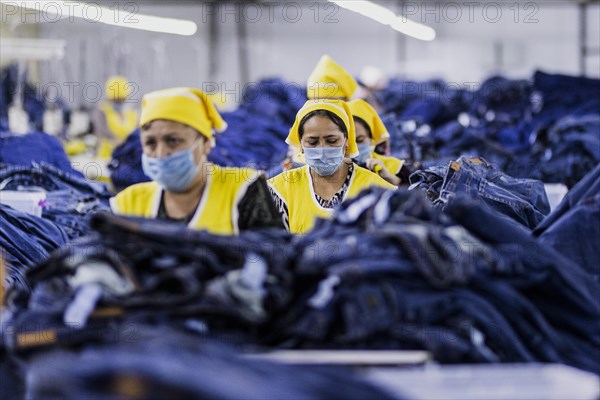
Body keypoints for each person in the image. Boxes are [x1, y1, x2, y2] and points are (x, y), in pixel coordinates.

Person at [110, 87, 284, 235]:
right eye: (150, 143)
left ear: (206, 143)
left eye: (173, 141)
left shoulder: (244, 189)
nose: (161, 153)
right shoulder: (127, 203)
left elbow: (273, 258)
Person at [268, 99, 396, 234]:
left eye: (332, 141)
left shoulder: (377, 189)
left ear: (346, 141)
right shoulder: (279, 190)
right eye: (312, 142)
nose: (322, 149)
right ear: (301, 144)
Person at [348, 99, 409, 186]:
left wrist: (389, 177)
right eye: (349, 141)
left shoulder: (394, 167)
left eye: (360, 140)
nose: (355, 147)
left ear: (371, 138)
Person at [93, 76, 139, 158]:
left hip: (128, 155)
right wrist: (115, 140)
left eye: (122, 99)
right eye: (116, 99)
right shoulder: (103, 111)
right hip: (106, 156)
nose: (119, 102)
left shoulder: (131, 113)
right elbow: (101, 132)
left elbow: (137, 131)